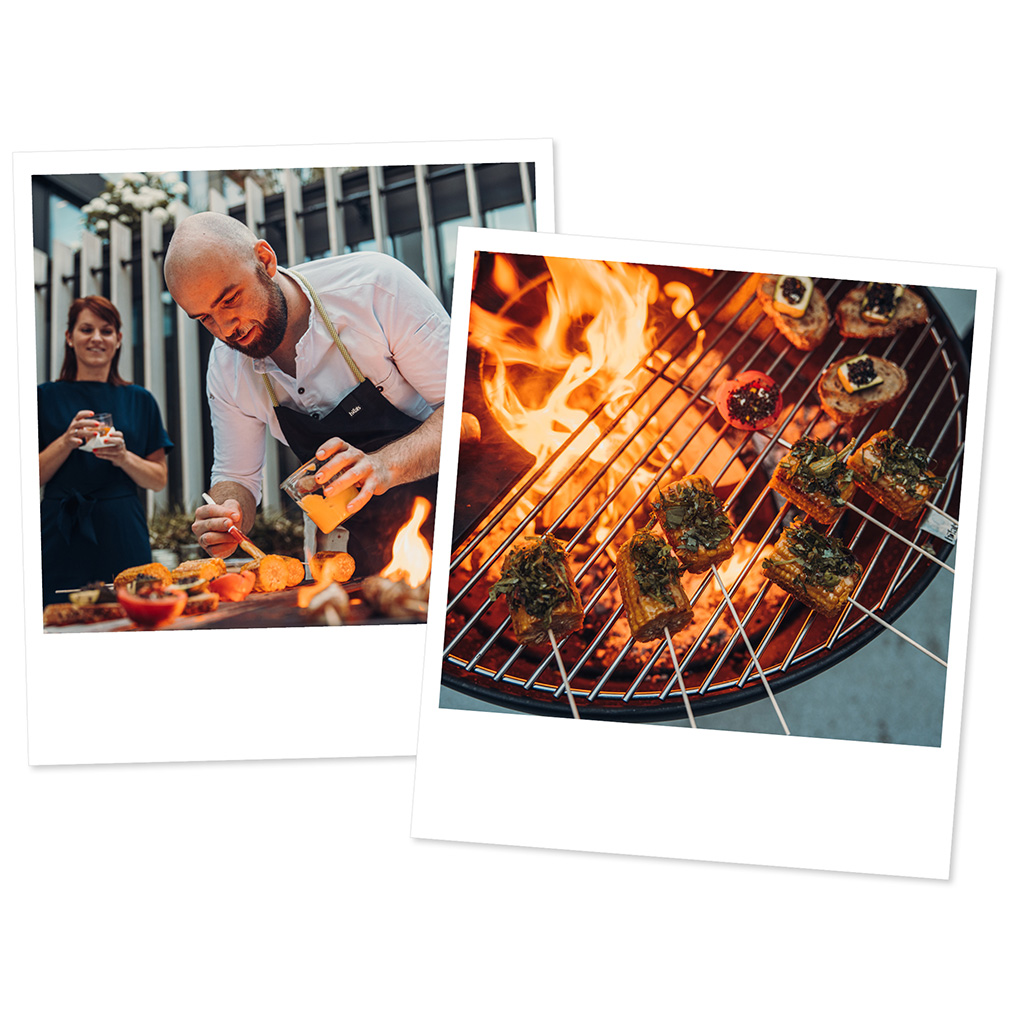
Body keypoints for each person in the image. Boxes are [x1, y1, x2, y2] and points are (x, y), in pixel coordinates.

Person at [163, 212, 449, 576]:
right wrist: (227, 512)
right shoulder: (226, 368)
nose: (225, 329)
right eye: (204, 318)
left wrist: (381, 465)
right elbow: (236, 476)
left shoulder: (373, 288)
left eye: (231, 299)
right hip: (366, 559)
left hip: (466, 513)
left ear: (265, 260)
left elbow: (468, 410)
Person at [38, 296, 173, 604]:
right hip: (61, 529)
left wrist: (123, 457)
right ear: (69, 338)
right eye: (86, 329)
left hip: (122, 528)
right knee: (58, 615)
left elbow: (158, 479)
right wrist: (66, 440)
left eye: (106, 330)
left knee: (133, 614)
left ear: (119, 339)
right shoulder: (43, 397)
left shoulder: (141, 400)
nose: (97, 338)